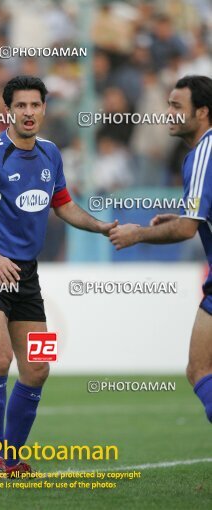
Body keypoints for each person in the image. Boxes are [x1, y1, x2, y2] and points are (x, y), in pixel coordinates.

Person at [0, 75, 117, 475]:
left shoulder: (50, 154)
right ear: (9, 110)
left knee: (39, 369)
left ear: (45, 108)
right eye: (21, 106)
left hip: (27, 278)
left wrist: (99, 226)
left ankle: (12, 459)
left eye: (35, 105)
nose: (29, 112)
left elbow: (63, 204)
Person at [109, 75, 212, 423]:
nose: (167, 113)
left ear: (203, 112)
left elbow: (185, 230)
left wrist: (136, 234)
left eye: (176, 107)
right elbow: (192, 218)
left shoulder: (202, 154)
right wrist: (190, 214)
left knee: (199, 369)